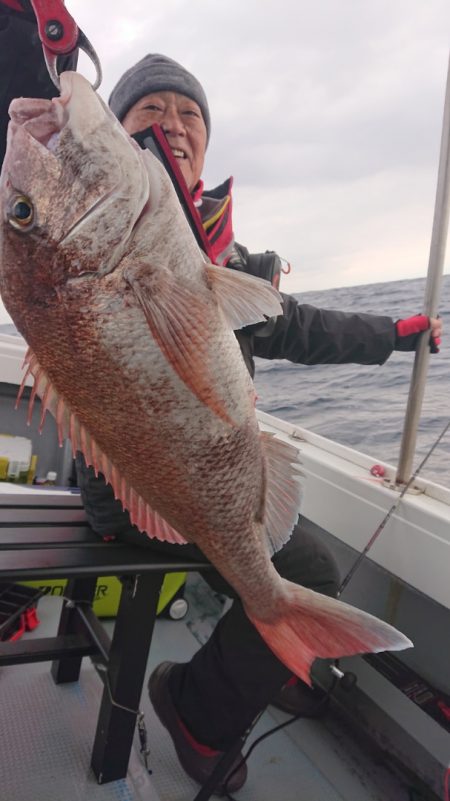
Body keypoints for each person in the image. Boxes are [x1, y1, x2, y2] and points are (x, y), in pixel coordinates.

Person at [0, 10, 443, 795]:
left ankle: (220, 683)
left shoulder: (217, 251)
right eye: (149, 110)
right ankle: (203, 714)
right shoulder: (101, 226)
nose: (171, 122)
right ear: (124, 131)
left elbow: (298, 326)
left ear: (207, 140)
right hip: (128, 488)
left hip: (206, 477)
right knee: (301, 564)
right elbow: (40, 147)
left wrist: (393, 333)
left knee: (293, 559)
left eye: (189, 113)